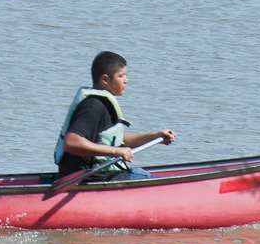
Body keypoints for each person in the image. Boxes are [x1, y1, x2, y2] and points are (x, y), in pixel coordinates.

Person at [54, 51, 176, 180]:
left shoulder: (100, 104)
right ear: (105, 79)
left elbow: (117, 140)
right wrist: (116, 151)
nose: (126, 80)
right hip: (92, 177)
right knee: (151, 180)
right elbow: (71, 142)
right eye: (121, 76)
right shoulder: (93, 107)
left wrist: (156, 136)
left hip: (104, 173)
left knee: (140, 172)